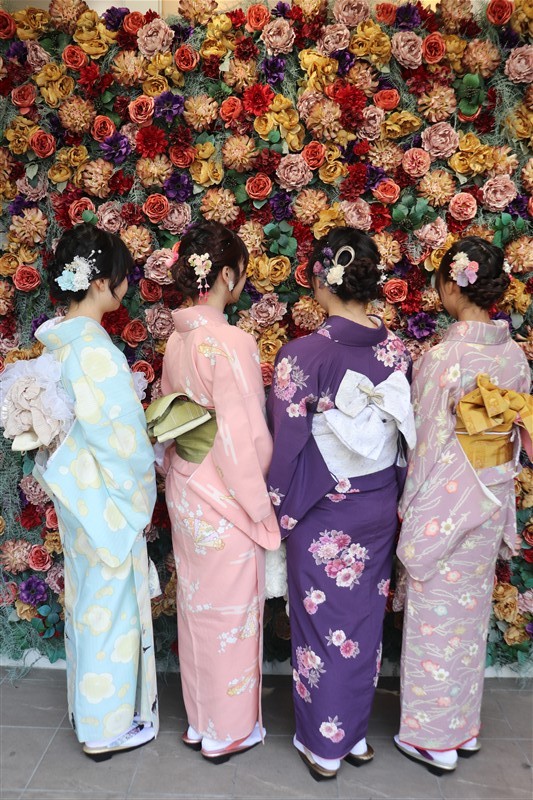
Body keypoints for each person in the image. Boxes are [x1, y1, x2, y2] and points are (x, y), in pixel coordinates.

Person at [266, 227, 415, 780]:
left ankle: (324, 746)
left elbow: (286, 449)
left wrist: (275, 510)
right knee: (361, 627)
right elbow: (400, 439)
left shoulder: (301, 356)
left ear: (319, 280)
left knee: (321, 630)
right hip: (375, 504)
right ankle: (353, 736)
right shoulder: (396, 349)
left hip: (322, 509)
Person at [395, 236, 532, 773]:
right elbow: (513, 436)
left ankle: (433, 737)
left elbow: (424, 443)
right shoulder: (513, 355)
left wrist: (409, 505)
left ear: (453, 286)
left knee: (436, 615)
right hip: (490, 492)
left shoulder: (444, 358)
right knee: (468, 617)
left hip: (447, 500)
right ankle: (463, 727)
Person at [33, 223, 159, 760]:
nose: (126, 286)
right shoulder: (94, 351)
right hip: (106, 499)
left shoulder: (61, 344)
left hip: (77, 494)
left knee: (89, 603)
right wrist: (143, 488)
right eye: (123, 277)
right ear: (102, 282)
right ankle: (103, 729)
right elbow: (120, 440)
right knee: (110, 608)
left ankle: (89, 713)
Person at [160, 220, 280, 763]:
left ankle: (200, 720)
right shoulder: (231, 342)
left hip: (187, 487)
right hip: (225, 495)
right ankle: (226, 730)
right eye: (241, 276)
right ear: (227, 275)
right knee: (229, 614)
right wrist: (261, 504)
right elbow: (244, 435)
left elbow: (173, 419)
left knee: (198, 608)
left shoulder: (177, 340)